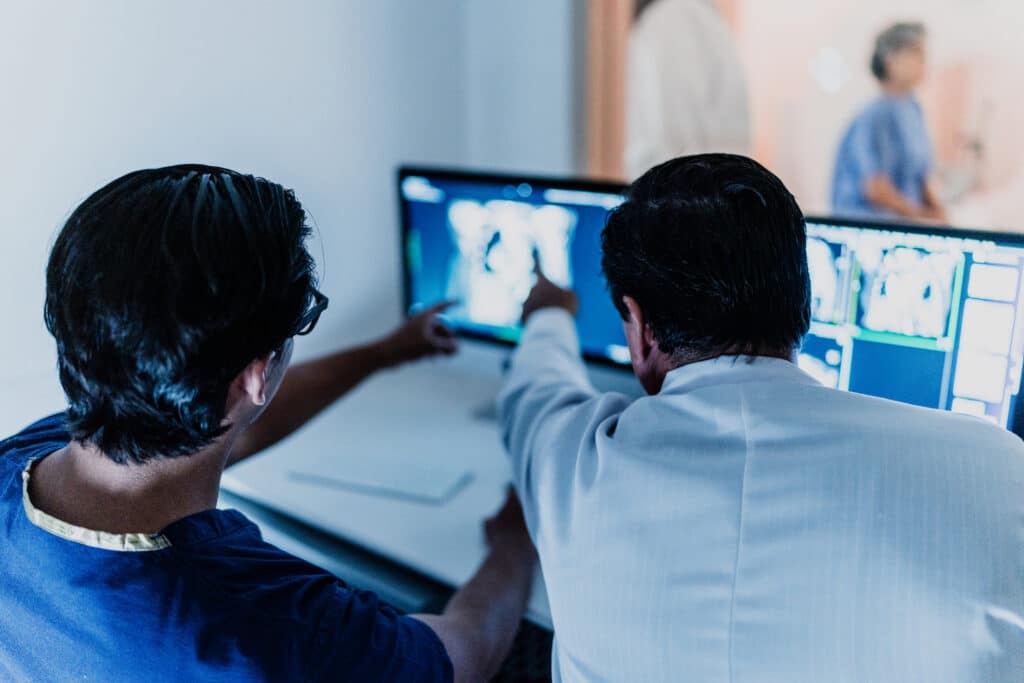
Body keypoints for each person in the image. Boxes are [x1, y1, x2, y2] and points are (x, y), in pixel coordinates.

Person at [0, 164, 536, 682]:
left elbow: (220, 424)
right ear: (256, 376)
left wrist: (385, 352)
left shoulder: (34, 454)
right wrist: (515, 542)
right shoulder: (275, 626)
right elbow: (466, 651)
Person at [499, 154, 1024, 682]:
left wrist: (548, 313)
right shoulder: (998, 471)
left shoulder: (566, 468)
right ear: (804, 301)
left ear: (639, 328)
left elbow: (538, 388)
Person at [832, 22, 946, 222]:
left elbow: (919, 177)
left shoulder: (913, 110)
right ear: (890, 59)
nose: (924, 60)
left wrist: (938, 213)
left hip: (906, 222)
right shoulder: (873, 116)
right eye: (916, 52)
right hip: (871, 225)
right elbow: (875, 189)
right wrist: (921, 216)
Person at [625, 0, 751, 180]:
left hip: (680, 197)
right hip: (707, 191)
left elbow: (678, 148)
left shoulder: (673, 18)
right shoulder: (696, 16)